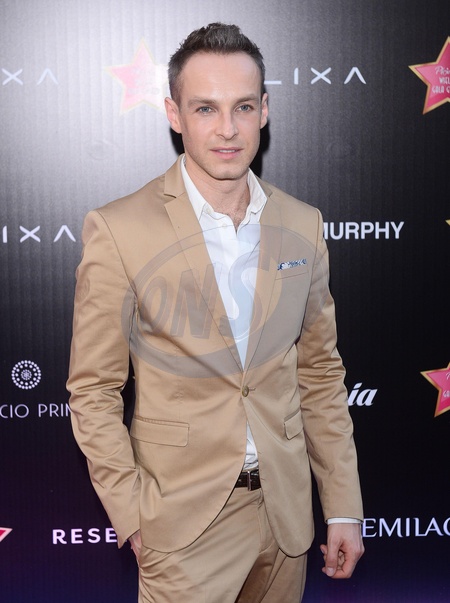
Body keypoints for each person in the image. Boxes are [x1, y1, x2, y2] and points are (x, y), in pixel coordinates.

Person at [67, 22, 364, 603]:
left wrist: (343, 506)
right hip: (181, 530)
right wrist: (134, 517)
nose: (227, 129)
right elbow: (93, 388)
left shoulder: (302, 223)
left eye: (243, 107)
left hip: (286, 518)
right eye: (206, 108)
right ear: (174, 114)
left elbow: (320, 375)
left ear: (264, 111)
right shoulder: (120, 228)